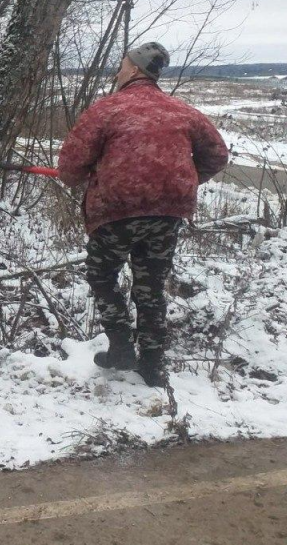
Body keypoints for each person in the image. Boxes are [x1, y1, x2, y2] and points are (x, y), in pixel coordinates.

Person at [57, 43, 229, 387]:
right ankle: (152, 363)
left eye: (122, 65)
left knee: (102, 276)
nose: (119, 70)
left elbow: (70, 168)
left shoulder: (106, 110)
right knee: (150, 284)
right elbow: (217, 156)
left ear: (134, 69)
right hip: (167, 212)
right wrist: (183, 178)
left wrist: (91, 173)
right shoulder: (184, 111)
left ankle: (120, 346)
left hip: (117, 210)